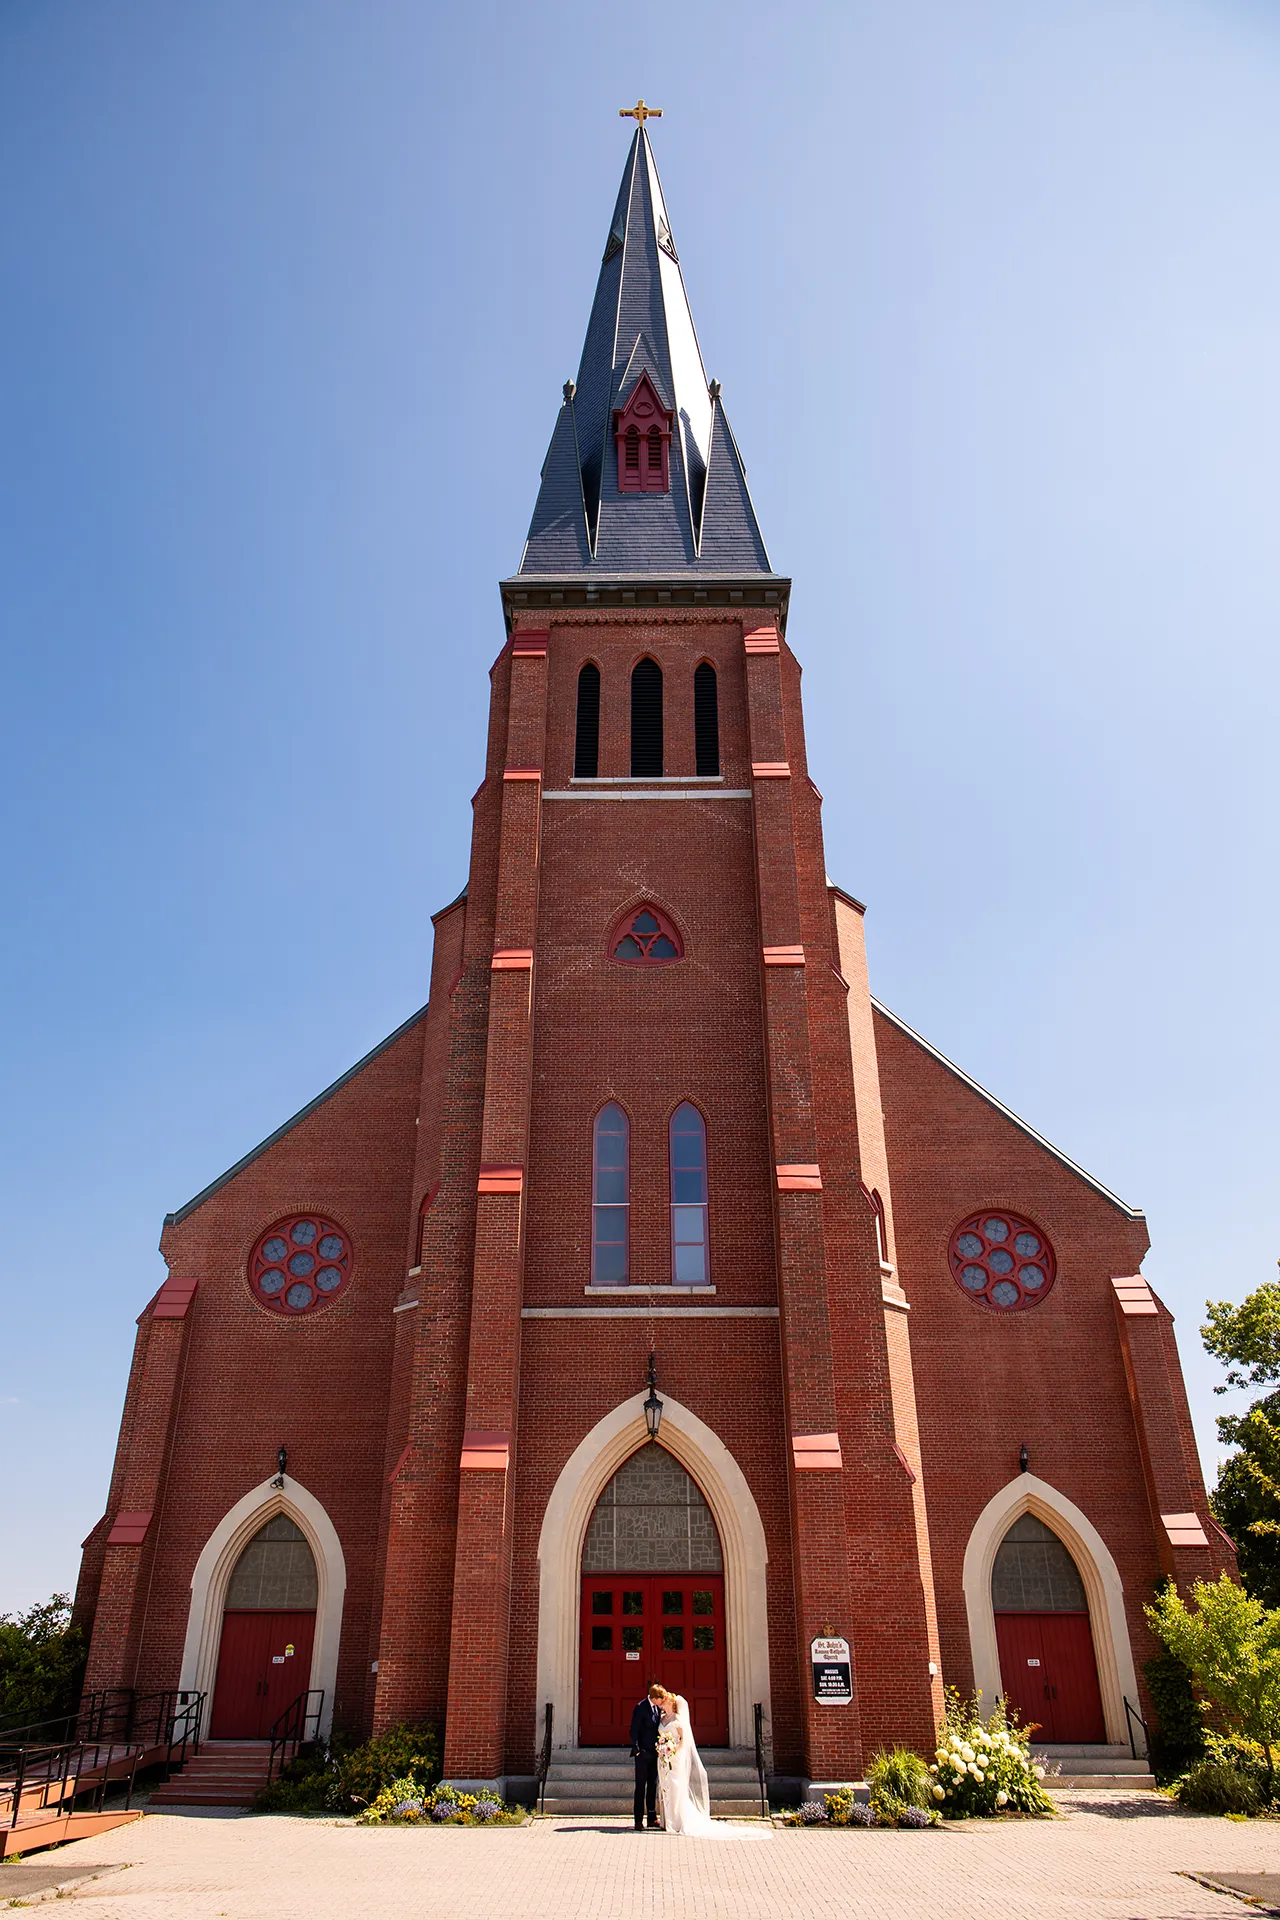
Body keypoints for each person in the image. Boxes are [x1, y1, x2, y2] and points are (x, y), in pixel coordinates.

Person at [655, 1688, 717, 1835]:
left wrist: (673, 1751)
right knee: (664, 1786)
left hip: (675, 1757)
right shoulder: (662, 1718)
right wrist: (662, 1748)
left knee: (675, 1787)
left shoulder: (678, 1719)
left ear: (672, 1703)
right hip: (663, 1757)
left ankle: (677, 1820)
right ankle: (666, 1820)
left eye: (666, 1701)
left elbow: (683, 1740)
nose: (663, 1703)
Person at [628, 1682, 665, 1830]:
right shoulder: (640, 1707)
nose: (662, 1702)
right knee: (641, 1787)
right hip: (642, 1753)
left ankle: (651, 1816)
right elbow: (634, 1729)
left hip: (654, 1753)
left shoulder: (657, 1709)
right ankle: (638, 1820)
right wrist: (636, 1749)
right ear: (654, 1697)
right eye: (660, 1698)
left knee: (652, 1785)